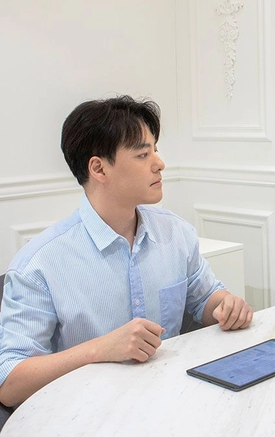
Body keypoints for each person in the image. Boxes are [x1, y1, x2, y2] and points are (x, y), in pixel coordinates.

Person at [0, 96, 253, 407]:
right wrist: (101, 349)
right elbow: (10, 383)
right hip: (87, 413)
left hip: (173, 400)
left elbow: (206, 298)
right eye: (143, 154)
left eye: (155, 149)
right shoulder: (39, 264)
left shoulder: (176, 233)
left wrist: (226, 306)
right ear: (99, 168)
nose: (159, 163)